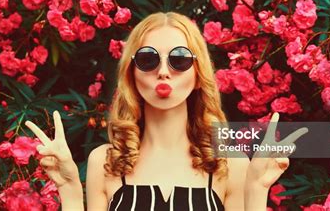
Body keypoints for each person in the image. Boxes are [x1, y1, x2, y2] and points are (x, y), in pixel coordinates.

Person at [25, 12, 308, 211]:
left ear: (198, 74)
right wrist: (70, 190)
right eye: (148, 59)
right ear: (131, 74)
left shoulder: (229, 164)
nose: (163, 72)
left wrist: (257, 188)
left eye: (179, 60)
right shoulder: (105, 162)